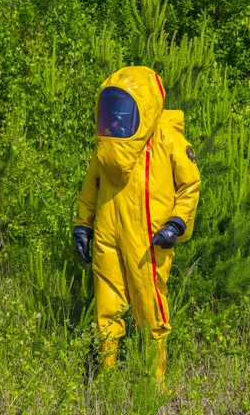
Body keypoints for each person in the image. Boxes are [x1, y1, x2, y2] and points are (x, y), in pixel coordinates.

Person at [73, 66, 200, 379]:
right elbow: (91, 186)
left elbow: (190, 185)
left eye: (123, 108)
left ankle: (153, 383)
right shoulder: (106, 145)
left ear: (144, 106)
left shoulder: (167, 139)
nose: (116, 116)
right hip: (107, 232)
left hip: (148, 238)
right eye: (112, 109)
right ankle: (108, 379)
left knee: (150, 306)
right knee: (106, 304)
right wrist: (83, 224)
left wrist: (176, 223)